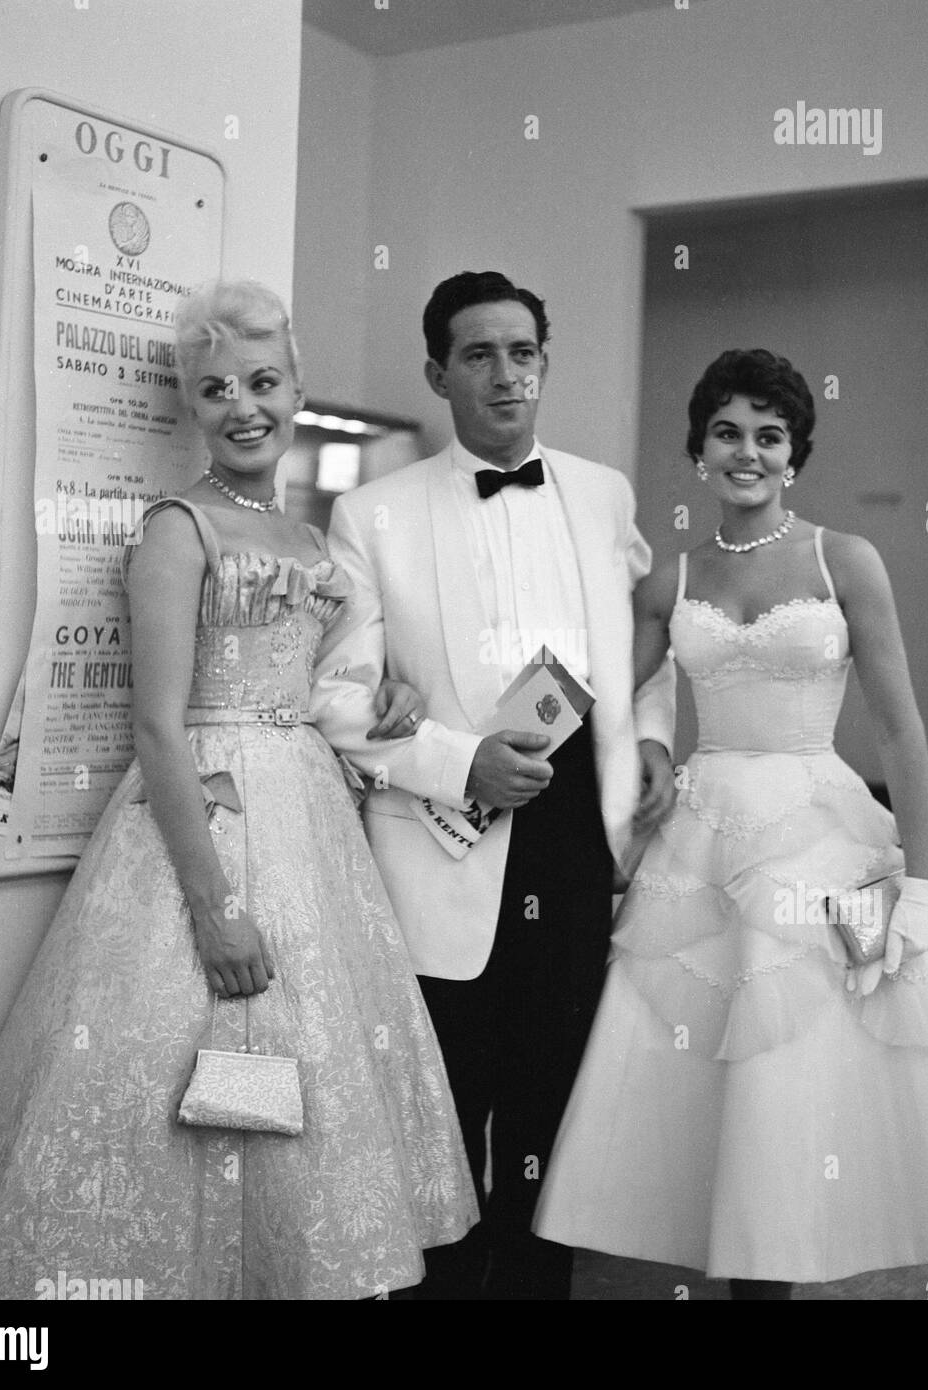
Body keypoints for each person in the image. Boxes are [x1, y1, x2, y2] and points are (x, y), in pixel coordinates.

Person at [0, 280, 477, 1300]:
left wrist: (388, 691)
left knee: (305, 1065)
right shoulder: (177, 528)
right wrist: (215, 909)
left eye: (263, 382)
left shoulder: (312, 543)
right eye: (216, 389)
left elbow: (325, 684)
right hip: (203, 814)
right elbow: (157, 728)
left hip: (309, 822)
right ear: (192, 405)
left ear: (297, 388)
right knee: (177, 1065)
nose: (243, 406)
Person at [534, 348, 928, 1296]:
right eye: (727, 433)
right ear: (699, 450)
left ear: (795, 453)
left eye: (770, 435)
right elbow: (592, 692)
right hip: (702, 838)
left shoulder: (848, 560)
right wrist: (474, 737)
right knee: (703, 1079)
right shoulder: (670, 581)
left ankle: (781, 1262)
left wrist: (921, 888)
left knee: (793, 1076)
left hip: (819, 836)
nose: (748, 452)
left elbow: (901, 730)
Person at [310, 271, 677, 1299]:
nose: (506, 375)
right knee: (438, 1109)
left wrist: (652, 735)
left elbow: (647, 645)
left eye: (523, 353)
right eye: (479, 355)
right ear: (439, 374)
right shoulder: (371, 513)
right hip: (442, 839)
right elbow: (334, 695)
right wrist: (456, 759)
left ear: (544, 364)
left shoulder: (604, 494)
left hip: (574, 837)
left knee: (551, 1109)